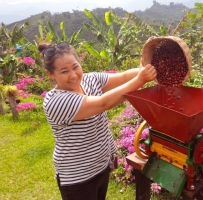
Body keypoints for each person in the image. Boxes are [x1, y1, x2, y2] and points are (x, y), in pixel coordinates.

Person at [38, 41, 157, 200]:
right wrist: (141, 79)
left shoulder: (89, 79)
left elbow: (122, 77)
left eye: (75, 67)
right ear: (51, 74)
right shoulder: (55, 102)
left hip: (100, 165)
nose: (73, 75)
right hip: (78, 177)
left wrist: (147, 71)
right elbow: (103, 103)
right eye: (64, 71)